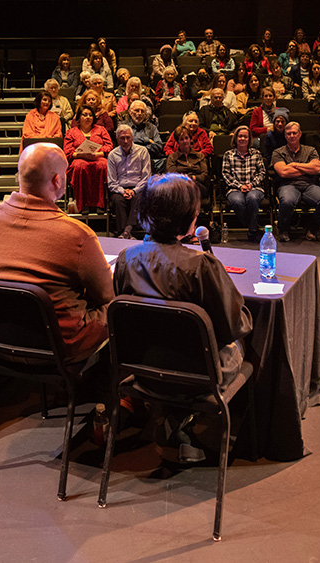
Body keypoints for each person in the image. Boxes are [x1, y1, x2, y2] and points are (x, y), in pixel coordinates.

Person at [113, 173, 252, 460]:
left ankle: (172, 420)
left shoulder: (126, 259)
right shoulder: (201, 266)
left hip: (142, 372)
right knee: (247, 342)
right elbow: (233, 326)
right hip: (200, 378)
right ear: (188, 218)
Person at [0, 143, 114, 361]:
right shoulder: (77, 235)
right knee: (115, 306)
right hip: (57, 348)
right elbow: (106, 295)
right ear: (57, 180)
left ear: (20, 176)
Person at [271, 121, 320, 242]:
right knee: (287, 201)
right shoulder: (278, 152)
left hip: (309, 185)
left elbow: (317, 169)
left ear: (299, 134)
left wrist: (294, 165)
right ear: (285, 135)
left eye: (294, 133)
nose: (292, 136)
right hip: (288, 185)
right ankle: (283, 229)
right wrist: (306, 168)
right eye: (288, 133)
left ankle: (313, 229)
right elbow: (283, 172)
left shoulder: (310, 150)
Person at [221, 126, 267, 241]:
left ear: (249, 139)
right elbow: (226, 174)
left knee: (252, 198)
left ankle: (252, 230)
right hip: (234, 188)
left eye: (245, 136)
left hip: (255, 188)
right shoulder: (228, 155)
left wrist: (252, 185)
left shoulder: (256, 154)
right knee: (237, 201)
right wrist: (239, 186)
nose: (242, 139)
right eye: (240, 136)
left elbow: (262, 172)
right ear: (235, 138)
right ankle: (253, 228)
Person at [64, 105, 112, 213]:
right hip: (79, 158)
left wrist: (98, 153)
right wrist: (81, 155)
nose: (88, 117)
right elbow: (67, 151)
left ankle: (100, 204)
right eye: (84, 115)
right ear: (79, 118)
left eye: (90, 115)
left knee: (103, 165)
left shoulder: (101, 129)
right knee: (79, 166)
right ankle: (82, 204)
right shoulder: (71, 132)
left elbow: (109, 146)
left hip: (98, 157)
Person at [107, 124, 152, 239]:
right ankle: (128, 232)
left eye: (128, 137)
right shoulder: (112, 155)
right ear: (117, 140)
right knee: (117, 201)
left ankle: (126, 231)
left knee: (138, 198)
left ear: (132, 138)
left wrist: (134, 191)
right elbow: (112, 182)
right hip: (120, 188)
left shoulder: (142, 151)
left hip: (138, 187)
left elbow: (146, 177)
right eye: (122, 138)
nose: (126, 141)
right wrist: (123, 191)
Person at [165, 125, 210, 203]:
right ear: (178, 142)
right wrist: (190, 178)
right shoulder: (172, 157)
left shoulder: (199, 156)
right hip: (180, 187)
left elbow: (204, 175)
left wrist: (192, 178)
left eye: (186, 138)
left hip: (198, 185)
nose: (185, 141)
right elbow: (173, 176)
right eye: (181, 139)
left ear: (190, 139)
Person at [117, 99, 164, 171]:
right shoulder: (123, 126)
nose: (139, 113)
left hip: (150, 159)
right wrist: (147, 140)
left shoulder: (152, 127)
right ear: (130, 112)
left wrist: (136, 146)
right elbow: (124, 144)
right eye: (137, 110)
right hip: (128, 159)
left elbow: (158, 146)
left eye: (142, 111)